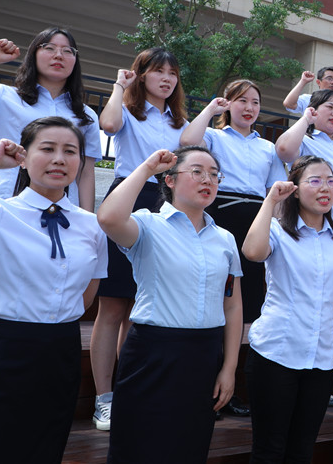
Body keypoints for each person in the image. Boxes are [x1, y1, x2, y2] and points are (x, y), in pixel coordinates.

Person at [97, 146, 243, 463]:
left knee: (189, 446)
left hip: (204, 354)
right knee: (136, 446)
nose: (208, 179)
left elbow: (232, 306)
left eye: (214, 174)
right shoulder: (148, 225)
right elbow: (108, 217)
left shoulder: (225, 239)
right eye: (197, 172)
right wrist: (146, 168)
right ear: (171, 180)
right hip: (153, 352)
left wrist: (229, 367)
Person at [0, 119, 108, 463]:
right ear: (23, 158)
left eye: (70, 151)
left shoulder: (91, 225)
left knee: (47, 443)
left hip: (60, 348)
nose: (59, 159)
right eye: (47, 149)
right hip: (1, 346)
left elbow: (88, 293)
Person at [91, 48, 189, 431]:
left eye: (172, 73)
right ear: (141, 74)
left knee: (139, 304)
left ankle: (127, 388)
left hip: (164, 202)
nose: (166, 78)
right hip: (128, 196)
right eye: (157, 71)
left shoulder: (179, 120)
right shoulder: (130, 110)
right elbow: (109, 125)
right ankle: (103, 398)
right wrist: (119, 86)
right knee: (112, 306)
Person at [242, 157, 333, 463]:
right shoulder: (279, 232)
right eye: (315, 180)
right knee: (269, 450)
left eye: (331, 181)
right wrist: (270, 201)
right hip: (276, 353)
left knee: (302, 449)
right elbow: (252, 251)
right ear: (295, 189)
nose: (325, 188)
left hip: (321, 358)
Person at [180, 80, 286, 327]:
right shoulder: (214, 136)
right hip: (222, 212)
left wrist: (277, 226)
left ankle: (246, 340)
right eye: (242, 100)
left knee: (251, 277)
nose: (249, 107)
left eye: (255, 102)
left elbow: (275, 190)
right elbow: (187, 141)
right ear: (228, 104)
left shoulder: (268, 147)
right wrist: (210, 110)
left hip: (258, 217)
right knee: (217, 274)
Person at [0, 31, 100, 209]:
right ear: (33, 54)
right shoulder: (3, 95)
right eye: (49, 48)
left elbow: (85, 173)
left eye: (68, 51)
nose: (58, 55)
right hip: (2, 200)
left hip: (61, 209)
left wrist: (88, 220)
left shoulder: (86, 115)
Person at [275, 89, 333, 247]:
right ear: (313, 109)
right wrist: (306, 119)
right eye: (330, 107)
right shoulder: (305, 140)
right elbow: (283, 149)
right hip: (313, 230)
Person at [282, 67, 333, 140]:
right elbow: (289, 104)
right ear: (319, 82)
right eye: (329, 78)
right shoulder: (309, 99)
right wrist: (303, 81)